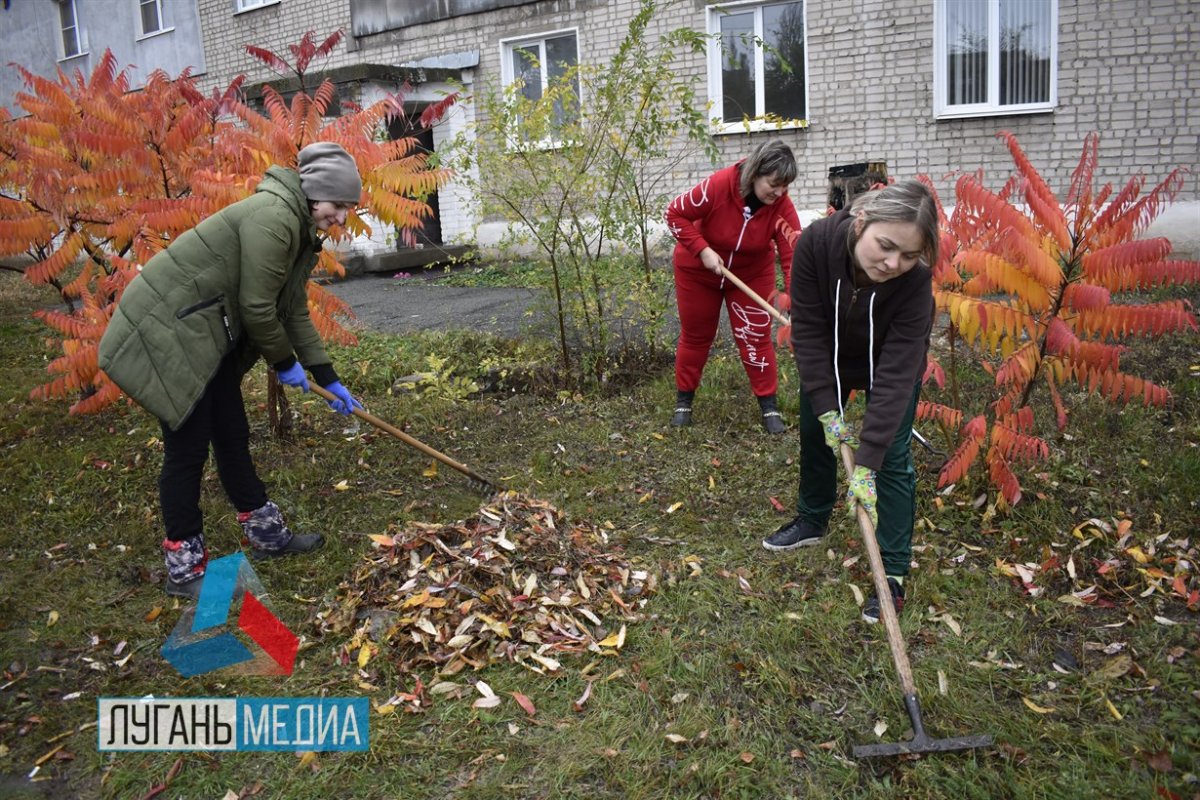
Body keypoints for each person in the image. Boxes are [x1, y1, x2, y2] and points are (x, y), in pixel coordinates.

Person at [98, 141, 366, 600]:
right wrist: (285, 365)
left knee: (232, 432)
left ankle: (265, 535)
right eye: (339, 205)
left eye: (347, 208)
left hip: (205, 331)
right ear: (316, 192)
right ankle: (183, 568)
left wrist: (326, 376)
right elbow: (257, 307)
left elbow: (292, 308)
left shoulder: (299, 227)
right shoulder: (274, 217)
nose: (341, 218)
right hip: (170, 331)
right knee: (187, 448)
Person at [761, 179, 938, 624]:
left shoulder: (914, 284)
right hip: (831, 355)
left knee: (893, 456)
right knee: (815, 433)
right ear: (861, 223)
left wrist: (868, 461)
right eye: (886, 246)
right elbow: (810, 330)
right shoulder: (817, 244)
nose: (894, 263)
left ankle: (893, 572)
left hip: (889, 366)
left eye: (910, 255)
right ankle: (812, 518)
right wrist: (825, 406)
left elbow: (899, 373)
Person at [664, 139, 801, 434]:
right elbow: (674, 214)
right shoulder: (720, 185)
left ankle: (769, 407)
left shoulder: (781, 206)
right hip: (698, 270)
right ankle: (683, 402)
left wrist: (795, 305)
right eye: (773, 184)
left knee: (755, 336)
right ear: (755, 173)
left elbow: (792, 255)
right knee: (697, 334)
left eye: (785, 187)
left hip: (751, 272)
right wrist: (701, 249)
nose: (778, 193)